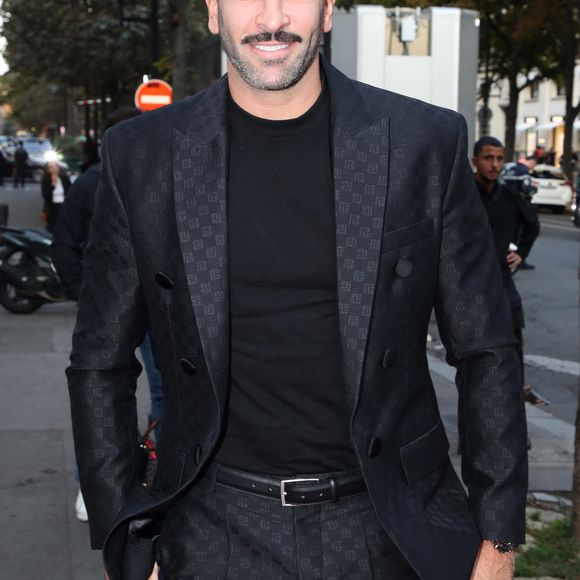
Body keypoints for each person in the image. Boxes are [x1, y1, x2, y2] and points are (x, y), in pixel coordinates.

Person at [67, 2, 528, 579]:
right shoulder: (142, 155)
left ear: (328, 10)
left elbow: (487, 348)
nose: (271, 16)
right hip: (209, 527)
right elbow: (99, 362)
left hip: (390, 524)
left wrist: (500, 539)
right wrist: (127, 542)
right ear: (213, 12)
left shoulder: (422, 143)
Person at [51, 107, 164, 522]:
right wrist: (89, 297)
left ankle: (115, 481)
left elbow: (63, 245)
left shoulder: (92, 181)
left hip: (138, 306)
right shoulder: (136, 177)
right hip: (140, 305)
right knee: (133, 389)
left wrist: (86, 296)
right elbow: (65, 246)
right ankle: (159, 478)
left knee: (104, 389)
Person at [472, 136, 540, 395]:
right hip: (470, 280)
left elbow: (533, 225)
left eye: (499, 158)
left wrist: (520, 253)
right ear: (475, 161)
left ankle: (516, 391)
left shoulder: (510, 196)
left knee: (513, 332)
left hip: (501, 277)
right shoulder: (464, 195)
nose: (495, 164)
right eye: (488, 158)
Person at [40, 160, 71, 233]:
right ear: (48, 170)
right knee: (53, 227)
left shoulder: (64, 178)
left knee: (64, 226)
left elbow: (70, 191)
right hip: (52, 207)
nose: (53, 168)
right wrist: (52, 185)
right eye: (51, 167)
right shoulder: (46, 180)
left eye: (55, 166)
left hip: (64, 205)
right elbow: (45, 195)